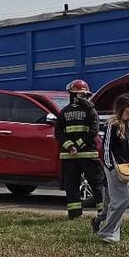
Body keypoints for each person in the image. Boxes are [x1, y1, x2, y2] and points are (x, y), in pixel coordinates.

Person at [55, 78, 104, 219]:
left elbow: (58, 133)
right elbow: (94, 132)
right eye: (86, 95)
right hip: (88, 154)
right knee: (97, 184)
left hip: (70, 156)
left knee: (72, 186)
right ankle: (102, 212)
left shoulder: (63, 112)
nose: (88, 98)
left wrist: (70, 146)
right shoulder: (91, 111)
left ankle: (74, 215)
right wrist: (78, 145)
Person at [92, 93, 129, 244]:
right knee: (123, 199)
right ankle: (107, 232)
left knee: (114, 201)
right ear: (125, 107)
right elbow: (106, 147)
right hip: (115, 168)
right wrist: (110, 166)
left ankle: (110, 230)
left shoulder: (128, 126)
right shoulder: (113, 124)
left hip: (125, 169)